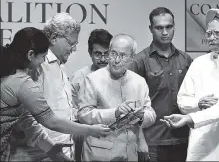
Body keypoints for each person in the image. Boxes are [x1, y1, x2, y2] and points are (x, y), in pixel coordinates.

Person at [0, 27, 111, 161]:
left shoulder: (9, 72)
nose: (43, 62)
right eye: (42, 57)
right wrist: (91, 130)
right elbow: (52, 121)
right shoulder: (21, 81)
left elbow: (26, 119)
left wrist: (53, 151)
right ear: (30, 55)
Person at [160, 9, 219, 161]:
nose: (211, 38)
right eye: (209, 33)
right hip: (201, 143)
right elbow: (183, 100)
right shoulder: (199, 63)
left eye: (217, 33)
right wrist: (198, 103)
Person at [77, 34, 156, 161]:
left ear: (132, 58)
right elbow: (83, 115)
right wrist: (115, 112)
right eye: (113, 54)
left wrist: (141, 116)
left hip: (130, 153)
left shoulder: (139, 82)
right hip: (99, 153)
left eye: (123, 56)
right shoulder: (92, 79)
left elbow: (151, 113)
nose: (116, 60)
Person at [129, 7, 192, 161]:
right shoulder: (139, 61)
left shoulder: (186, 60)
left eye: (169, 27)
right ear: (151, 29)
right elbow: (133, 106)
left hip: (183, 138)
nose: (165, 32)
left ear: (174, 27)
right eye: (159, 28)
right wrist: (140, 140)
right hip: (152, 141)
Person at [70, 29, 112, 161]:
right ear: (90, 53)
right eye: (98, 54)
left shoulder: (122, 77)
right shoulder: (79, 77)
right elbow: (70, 108)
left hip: (117, 138)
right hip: (87, 139)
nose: (103, 59)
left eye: (107, 54)